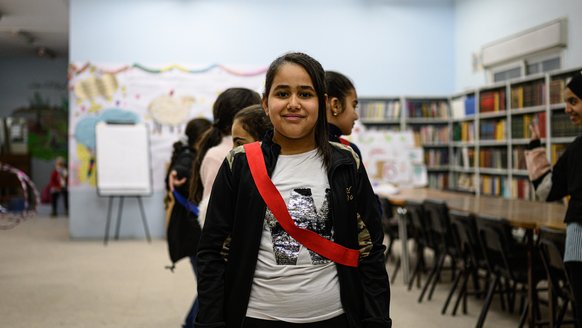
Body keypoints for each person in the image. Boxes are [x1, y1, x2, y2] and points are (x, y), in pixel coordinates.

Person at [196, 52, 391, 327]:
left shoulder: (346, 162)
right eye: (282, 93)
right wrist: (210, 322)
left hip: (334, 316)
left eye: (305, 94)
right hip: (256, 317)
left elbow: (370, 249)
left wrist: (377, 319)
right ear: (265, 102)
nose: (293, 104)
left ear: (322, 103)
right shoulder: (239, 164)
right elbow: (212, 252)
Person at [525, 70, 582, 326]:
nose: (568, 109)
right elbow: (547, 191)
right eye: (566, 103)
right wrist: (535, 150)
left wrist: (536, 151)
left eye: (574, 101)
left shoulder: (576, 149)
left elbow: (545, 190)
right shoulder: (576, 149)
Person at [164, 117, 211, 328]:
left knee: (208, 284)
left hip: (192, 233)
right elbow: (180, 170)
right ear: (201, 137)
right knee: (210, 285)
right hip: (193, 235)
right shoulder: (188, 157)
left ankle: (189, 323)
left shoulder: (196, 155)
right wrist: (176, 174)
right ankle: (190, 324)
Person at [325, 70, 362, 159]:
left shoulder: (299, 146)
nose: (356, 116)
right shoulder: (349, 151)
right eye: (354, 106)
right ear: (336, 105)